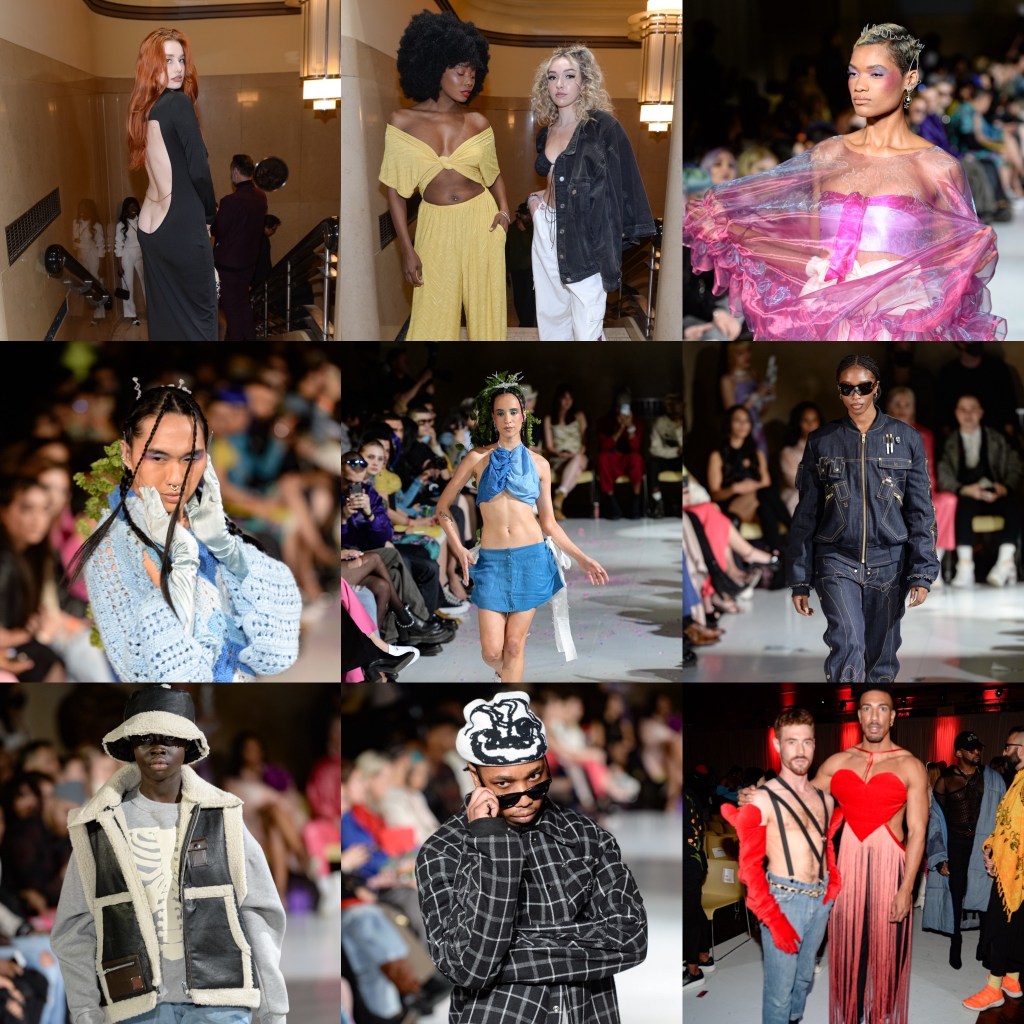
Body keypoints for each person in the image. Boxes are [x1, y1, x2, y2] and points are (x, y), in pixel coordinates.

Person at [684, 23, 1006, 340]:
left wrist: (973, 251)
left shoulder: (936, 167)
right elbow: (807, 246)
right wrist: (724, 226)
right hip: (821, 318)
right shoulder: (827, 155)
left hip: (898, 324)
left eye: (875, 74)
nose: (859, 85)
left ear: (909, 79)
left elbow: (948, 272)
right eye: (853, 73)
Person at [51, 685, 288, 1024]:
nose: (158, 746)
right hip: (134, 1005)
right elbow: (75, 928)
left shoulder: (224, 818)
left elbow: (258, 913)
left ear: (188, 745)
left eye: (170, 738)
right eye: (145, 737)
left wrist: (273, 1008)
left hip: (221, 999)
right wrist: (86, 1010)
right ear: (131, 745)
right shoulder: (98, 827)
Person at [415, 690, 648, 1022]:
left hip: (587, 1012)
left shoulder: (586, 836)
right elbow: (467, 968)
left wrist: (505, 949)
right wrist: (495, 848)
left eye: (535, 779)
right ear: (475, 775)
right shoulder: (443, 850)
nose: (524, 797)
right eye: (504, 785)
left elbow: (631, 939)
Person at [65, 380, 302, 682]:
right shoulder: (112, 545)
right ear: (127, 454)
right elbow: (171, 676)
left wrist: (229, 552)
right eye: (158, 457)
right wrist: (176, 583)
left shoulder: (203, 517)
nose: (176, 477)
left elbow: (277, 653)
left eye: (191, 457)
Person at [738, 686, 929, 1024]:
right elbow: (798, 794)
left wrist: (907, 889)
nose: (874, 716)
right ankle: (852, 1014)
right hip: (848, 867)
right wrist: (756, 794)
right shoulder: (838, 762)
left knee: (887, 949)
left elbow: (918, 831)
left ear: (893, 717)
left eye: (882, 708)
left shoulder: (910, 765)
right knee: (851, 948)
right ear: (858, 715)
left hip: (891, 869)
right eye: (867, 708)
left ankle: (881, 1014)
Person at [435, 372, 609, 681]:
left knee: (514, 646)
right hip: (491, 563)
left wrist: (583, 559)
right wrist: (458, 547)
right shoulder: (476, 458)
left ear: (524, 415)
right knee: (491, 653)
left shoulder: (540, 464)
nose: (508, 419)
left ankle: (512, 699)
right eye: (500, 413)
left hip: (531, 559)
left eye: (513, 412)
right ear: (492, 417)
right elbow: (442, 508)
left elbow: (549, 523)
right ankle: (508, 679)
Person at [787, 354, 939, 683]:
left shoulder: (907, 439)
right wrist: (800, 578)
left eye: (863, 387)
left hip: (890, 563)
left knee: (881, 659)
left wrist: (922, 571)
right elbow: (806, 513)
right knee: (847, 645)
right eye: (847, 388)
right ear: (838, 390)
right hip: (835, 559)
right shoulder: (821, 441)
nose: (855, 395)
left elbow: (921, 510)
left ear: (876, 387)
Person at [381, 11, 509, 341]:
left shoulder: (478, 123)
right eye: (460, 72)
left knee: (487, 314)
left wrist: (505, 213)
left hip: (482, 223)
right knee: (431, 317)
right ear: (435, 68)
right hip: (434, 226)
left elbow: (494, 175)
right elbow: (395, 192)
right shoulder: (402, 122)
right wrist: (407, 249)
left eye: (473, 74)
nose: (468, 81)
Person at [527, 45, 655, 340]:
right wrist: (537, 203)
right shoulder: (547, 131)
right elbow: (558, 180)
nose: (559, 84)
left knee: (587, 328)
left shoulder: (603, 128)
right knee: (552, 323)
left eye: (569, 76)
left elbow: (623, 186)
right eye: (552, 77)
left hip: (585, 236)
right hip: (546, 229)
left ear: (584, 81)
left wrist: (613, 243)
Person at [721, 708, 839, 1024]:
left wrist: (832, 889)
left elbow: (826, 846)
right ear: (777, 745)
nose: (800, 750)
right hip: (785, 901)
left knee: (804, 979)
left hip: (820, 900)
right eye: (791, 742)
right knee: (779, 992)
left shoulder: (826, 800)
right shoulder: (762, 798)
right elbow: (749, 867)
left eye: (807, 742)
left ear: (815, 744)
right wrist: (771, 915)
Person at [127, 28, 218, 341]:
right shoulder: (178, 103)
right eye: (168, 60)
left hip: (150, 224)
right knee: (201, 318)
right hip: (180, 222)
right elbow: (199, 169)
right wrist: (210, 215)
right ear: (151, 66)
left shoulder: (144, 109)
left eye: (181, 60)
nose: (179, 68)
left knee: (165, 317)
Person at [926, 730, 1003, 969]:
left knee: (985, 894)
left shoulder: (992, 779)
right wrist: (940, 857)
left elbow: (1002, 815)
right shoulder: (945, 780)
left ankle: (983, 943)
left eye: (979, 748)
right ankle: (956, 941)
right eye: (971, 749)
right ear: (959, 753)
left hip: (983, 845)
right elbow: (936, 821)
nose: (976, 752)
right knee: (956, 894)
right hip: (957, 846)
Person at [961, 725, 1024, 1010]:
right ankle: (1013, 978)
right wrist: (991, 848)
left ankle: (994, 988)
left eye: (1008, 747)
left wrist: (998, 856)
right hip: (1011, 870)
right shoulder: (1018, 780)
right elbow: (1005, 826)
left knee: (999, 928)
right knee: (1016, 928)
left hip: (1014, 875)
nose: (1004, 752)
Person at [938, 393, 1022, 588]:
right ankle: (965, 566)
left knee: (1015, 505)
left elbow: (1015, 466)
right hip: (967, 494)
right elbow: (944, 474)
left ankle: (1005, 563)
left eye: (973, 409)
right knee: (961, 506)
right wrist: (964, 489)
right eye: (963, 410)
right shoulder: (949, 442)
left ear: (981, 413)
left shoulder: (997, 438)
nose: (968, 414)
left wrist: (1005, 488)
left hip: (996, 492)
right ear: (956, 413)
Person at [708, 404, 791, 553]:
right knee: (764, 493)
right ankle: (794, 529)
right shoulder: (717, 455)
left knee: (765, 506)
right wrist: (735, 488)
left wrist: (750, 486)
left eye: (746, 421)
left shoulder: (757, 453)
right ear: (729, 423)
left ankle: (778, 552)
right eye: (738, 420)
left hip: (758, 502)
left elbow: (766, 481)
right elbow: (715, 494)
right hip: (733, 505)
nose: (743, 425)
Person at [212, 154, 269, 341]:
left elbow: (218, 230)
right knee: (243, 304)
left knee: (231, 309)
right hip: (249, 262)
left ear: (235, 171)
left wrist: (217, 216)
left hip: (229, 263)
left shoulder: (230, 201)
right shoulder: (261, 197)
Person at [542, 382, 588, 521]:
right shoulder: (549, 419)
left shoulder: (579, 416)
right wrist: (560, 454)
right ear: (558, 399)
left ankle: (558, 498)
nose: (568, 401)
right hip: (559, 457)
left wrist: (576, 454)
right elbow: (549, 446)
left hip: (578, 455)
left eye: (570, 398)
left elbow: (585, 442)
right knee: (576, 471)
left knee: (577, 460)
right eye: (564, 398)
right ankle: (558, 502)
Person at [779, 402, 823, 515]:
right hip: (797, 498)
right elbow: (796, 482)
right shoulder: (789, 452)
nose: (810, 424)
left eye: (814, 420)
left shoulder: (828, 447)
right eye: (805, 420)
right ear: (798, 423)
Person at [72, 199, 107, 324]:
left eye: (85, 208)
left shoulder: (96, 225)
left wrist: (101, 264)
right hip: (80, 256)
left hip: (93, 256)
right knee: (80, 284)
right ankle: (77, 313)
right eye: (80, 208)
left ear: (90, 210)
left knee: (96, 284)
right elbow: (74, 242)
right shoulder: (75, 223)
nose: (82, 211)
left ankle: (98, 315)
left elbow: (101, 245)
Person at [114, 196, 145, 326]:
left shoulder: (142, 220)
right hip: (127, 255)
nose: (133, 209)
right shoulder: (121, 225)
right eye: (130, 206)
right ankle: (132, 315)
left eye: (135, 206)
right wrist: (119, 265)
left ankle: (151, 310)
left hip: (141, 254)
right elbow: (118, 245)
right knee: (128, 285)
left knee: (147, 283)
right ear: (125, 209)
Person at [506, 202, 536, 328]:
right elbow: (507, 250)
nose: (527, 217)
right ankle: (523, 323)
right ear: (519, 215)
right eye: (525, 214)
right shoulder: (511, 229)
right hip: (516, 271)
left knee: (529, 300)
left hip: (530, 270)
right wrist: (506, 270)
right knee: (518, 299)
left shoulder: (534, 228)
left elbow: (532, 248)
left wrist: (523, 232)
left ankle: (527, 324)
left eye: (529, 214)